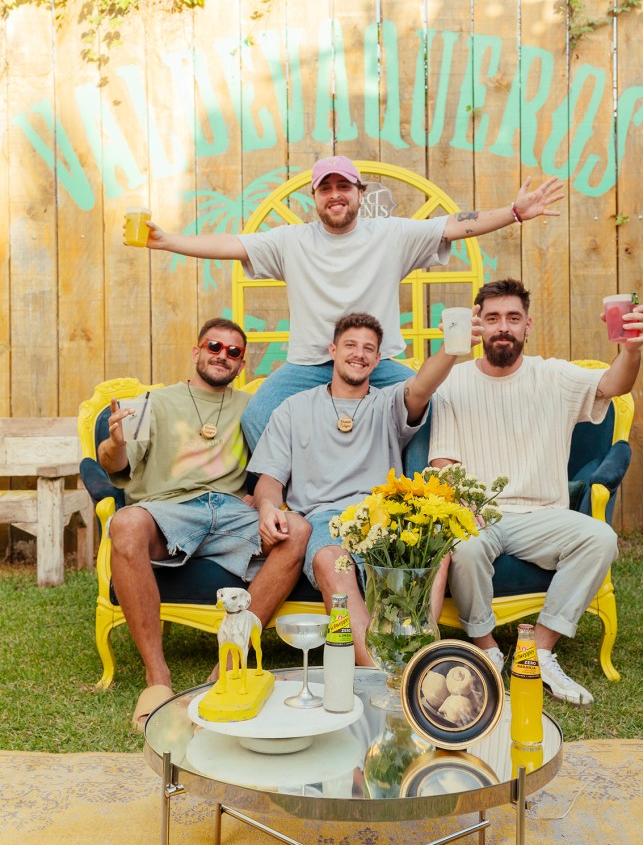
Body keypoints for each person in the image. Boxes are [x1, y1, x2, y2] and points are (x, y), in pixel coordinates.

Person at [139, 156, 564, 472]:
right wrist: (167, 240)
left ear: (360, 193)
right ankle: (292, 496)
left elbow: (455, 224)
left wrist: (513, 213)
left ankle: (414, 502)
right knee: (257, 416)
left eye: (344, 186)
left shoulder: (391, 234)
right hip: (309, 365)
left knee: (429, 410)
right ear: (315, 198)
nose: (335, 194)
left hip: (378, 363)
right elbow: (230, 245)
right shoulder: (291, 241)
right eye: (326, 188)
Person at [429, 278, 643, 706]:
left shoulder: (554, 376)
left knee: (601, 538)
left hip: (544, 514)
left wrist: (632, 350)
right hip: (482, 513)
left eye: (513, 318)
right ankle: (486, 649)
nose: (503, 327)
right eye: (493, 318)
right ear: (478, 324)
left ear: (527, 325)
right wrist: (462, 504)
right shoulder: (452, 382)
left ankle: (541, 652)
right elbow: (443, 460)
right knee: (465, 548)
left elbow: (614, 384)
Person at [97, 317, 310, 730]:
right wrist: (115, 443)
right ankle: (158, 678)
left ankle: (226, 670)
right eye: (214, 346)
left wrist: (263, 499)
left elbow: (278, 462)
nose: (222, 355)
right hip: (169, 508)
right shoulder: (155, 402)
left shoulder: (253, 408)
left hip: (230, 512)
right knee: (125, 524)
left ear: (241, 365)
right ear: (196, 352)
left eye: (233, 352)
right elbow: (115, 463)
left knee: (297, 530)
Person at [247, 311, 465, 666]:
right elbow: (270, 479)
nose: (359, 354)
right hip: (325, 520)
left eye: (368, 348)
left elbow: (422, 387)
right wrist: (269, 506)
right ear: (333, 350)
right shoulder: (293, 409)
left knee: (436, 551)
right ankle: (386, 676)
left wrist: (451, 348)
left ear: (377, 360)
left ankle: (416, 657)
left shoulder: (388, 403)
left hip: (386, 517)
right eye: (350, 345)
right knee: (332, 561)